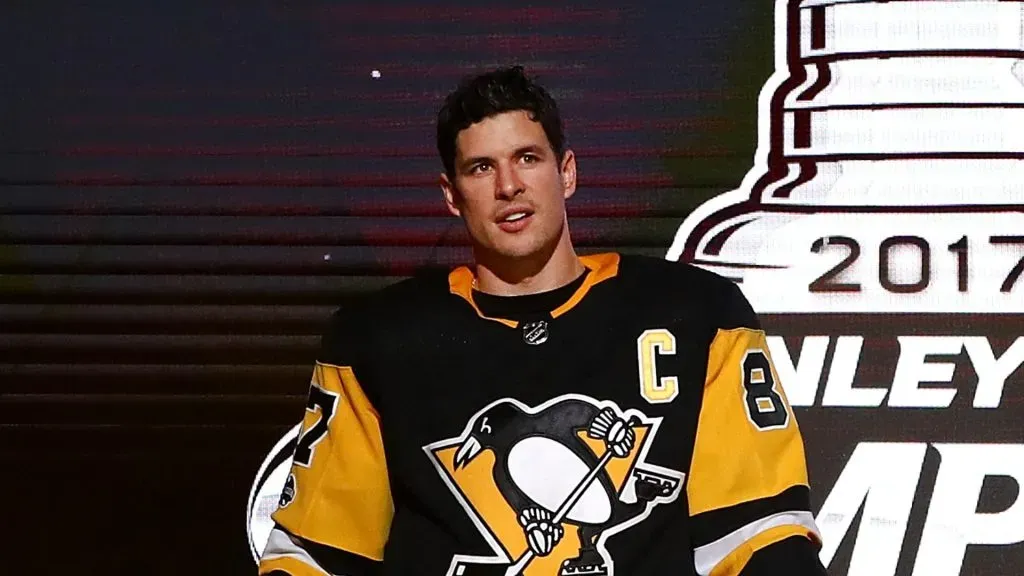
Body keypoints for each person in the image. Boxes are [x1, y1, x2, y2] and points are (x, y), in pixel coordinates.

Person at [257, 65, 828, 576]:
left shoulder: (697, 313)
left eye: (527, 158)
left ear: (568, 172)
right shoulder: (377, 338)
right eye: (481, 168)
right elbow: (320, 551)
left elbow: (759, 533)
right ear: (451, 196)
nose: (509, 186)